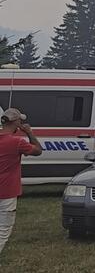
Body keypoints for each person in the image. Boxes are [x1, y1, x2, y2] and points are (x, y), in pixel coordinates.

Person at [0, 108, 43, 254]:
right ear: (16, 123)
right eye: (20, 120)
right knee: (3, 230)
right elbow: (38, 150)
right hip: (7, 191)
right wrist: (29, 132)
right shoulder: (17, 142)